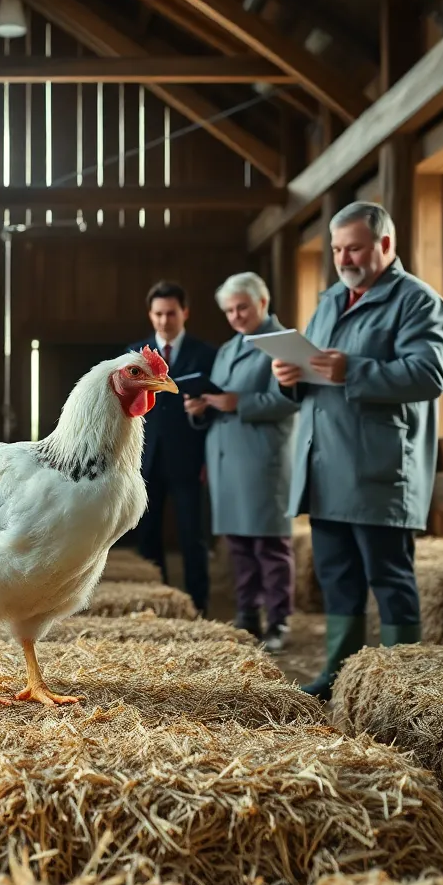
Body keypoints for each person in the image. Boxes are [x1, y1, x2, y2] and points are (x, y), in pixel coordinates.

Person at [271, 201, 443, 700]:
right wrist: (291, 376)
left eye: (353, 247)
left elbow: (430, 374)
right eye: (336, 249)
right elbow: (316, 369)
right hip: (325, 465)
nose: (343, 258)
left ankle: (403, 686)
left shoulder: (418, 302)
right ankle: (338, 676)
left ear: (386, 245)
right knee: (338, 577)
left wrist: (351, 369)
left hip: (377, 469)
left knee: (389, 577)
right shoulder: (329, 300)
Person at [187, 272, 298, 651]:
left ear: (263, 303)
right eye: (230, 310)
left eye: (243, 307)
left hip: (261, 457)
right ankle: (248, 615)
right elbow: (217, 398)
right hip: (225, 458)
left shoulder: (282, 345)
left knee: (269, 544)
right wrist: (200, 407)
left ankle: (279, 620)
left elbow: (292, 399)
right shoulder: (228, 349)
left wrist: (240, 402)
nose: (236, 315)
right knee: (238, 544)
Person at [130, 280, 217, 614]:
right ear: (150, 316)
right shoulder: (135, 354)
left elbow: (216, 406)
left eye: (171, 313)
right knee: (148, 535)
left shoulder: (207, 354)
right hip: (145, 460)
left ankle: (200, 606)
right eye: (158, 314)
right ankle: (158, 607)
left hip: (190, 459)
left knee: (192, 536)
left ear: (185, 313)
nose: (164, 321)